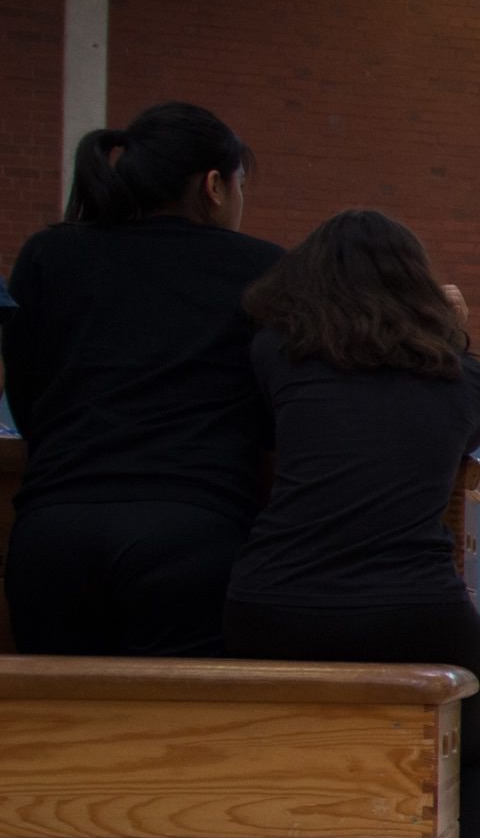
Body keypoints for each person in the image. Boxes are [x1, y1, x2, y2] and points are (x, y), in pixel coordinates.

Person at [219, 210, 480, 838]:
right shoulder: (467, 379)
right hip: (415, 614)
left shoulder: (273, 354)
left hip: (274, 608)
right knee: (475, 755)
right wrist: (453, 330)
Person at [4, 103, 279, 656]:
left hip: (52, 531)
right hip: (194, 530)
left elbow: (25, 392)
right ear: (214, 186)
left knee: (53, 711)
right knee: (180, 714)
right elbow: (280, 404)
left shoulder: (48, 254)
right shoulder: (264, 270)